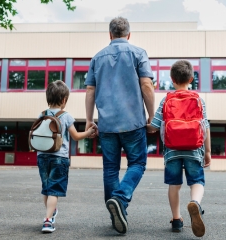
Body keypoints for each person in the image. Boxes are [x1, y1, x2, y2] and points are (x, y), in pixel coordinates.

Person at [84, 17, 155, 234]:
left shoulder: (97, 57)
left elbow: (89, 91)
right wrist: (152, 117)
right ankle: (121, 199)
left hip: (106, 124)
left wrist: (89, 120)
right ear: (129, 35)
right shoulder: (138, 53)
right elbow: (146, 85)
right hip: (133, 122)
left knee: (110, 169)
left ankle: (116, 212)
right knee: (137, 164)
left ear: (110, 35)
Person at [146, 60, 211, 237]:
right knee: (197, 181)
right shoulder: (198, 99)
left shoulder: (167, 99)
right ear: (191, 79)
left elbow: (154, 126)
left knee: (174, 185)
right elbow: (205, 127)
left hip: (172, 150)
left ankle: (176, 220)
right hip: (194, 148)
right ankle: (195, 203)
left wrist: (147, 123)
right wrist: (208, 152)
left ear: (172, 79)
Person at [37, 80, 97, 233]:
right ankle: (48, 220)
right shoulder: (66, 116)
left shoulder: (42, 114)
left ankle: (49, 212)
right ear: (64, 100)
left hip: (42, 156)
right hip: (59, 158)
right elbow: (76, 136)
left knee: (46, 188)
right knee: (54, 190)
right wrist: (89, 133)